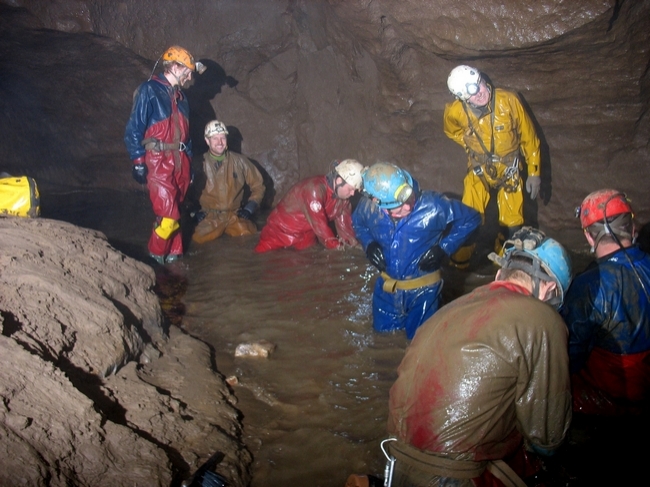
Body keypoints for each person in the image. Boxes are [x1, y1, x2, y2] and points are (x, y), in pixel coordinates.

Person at [347, 227, 572, 487]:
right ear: (550, 289)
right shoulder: (543, 318)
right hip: (457, 477)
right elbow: (547, 438)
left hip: (396, 466)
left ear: (500, 273)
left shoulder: (449, 310)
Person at [352, 162, 481, 339]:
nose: (408, 207)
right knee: (382, 342)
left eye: (409, 199)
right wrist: (368, 244)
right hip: (387, 291)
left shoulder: (433, 206)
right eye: (399, 207)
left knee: (420, 344)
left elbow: (472, 219)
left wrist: (444, 248)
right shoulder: (368, 208)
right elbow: (358, 223)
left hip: (424, 292)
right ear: (377, 202)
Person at [561, 189, 650, 416]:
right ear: (632, 228)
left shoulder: (588, 286)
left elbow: (570, 354)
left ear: (589, 237)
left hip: (610, 393)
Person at [443, 65, 541, 268]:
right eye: (471, 91)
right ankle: (461, 262)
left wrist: (534, 172)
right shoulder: (455, 112)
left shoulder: (509, 101)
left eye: (479, 83)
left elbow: (529, 139)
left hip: (509, 170)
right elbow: (451, 131)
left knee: (513, 221)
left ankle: (507, 263)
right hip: (479, 168)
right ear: (462, 97)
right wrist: (470, 144)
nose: (480, 92)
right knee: (469, 214)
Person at [124, 46, 206, 264]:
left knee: (175, 211)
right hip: (158, 161)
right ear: (175, 67)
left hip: (180, 162)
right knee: (169, 217)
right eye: (187, 71)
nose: (190, 76)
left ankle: (174, 257)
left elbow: (186, 137)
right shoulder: (149, 90)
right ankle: (154, 258)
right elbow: (133, 129)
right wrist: (138, 161)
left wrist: (190, 167)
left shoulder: (181, 97)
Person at [254, 159, 365, 252]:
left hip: (307, 236)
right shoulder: (314, 189)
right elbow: (321, 229)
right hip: (279, 233)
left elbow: (347, 234)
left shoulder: (344, 200)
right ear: (339, 180)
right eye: (351, 189)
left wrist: (359, 249)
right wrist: (338, 249)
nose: (352, 194)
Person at [191, 120, 266, 244]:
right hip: (209, 217)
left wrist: (249, 208)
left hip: (235, 216)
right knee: (197, 241)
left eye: (223, 138)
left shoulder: (240, 161)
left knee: (250, 238)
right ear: (207, 141)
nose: (220, 142)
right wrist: (193, 213)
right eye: (215, 138)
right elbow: (182, 190)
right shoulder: (198, 164)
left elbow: (258, 185)